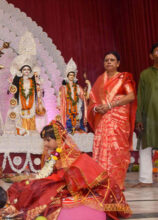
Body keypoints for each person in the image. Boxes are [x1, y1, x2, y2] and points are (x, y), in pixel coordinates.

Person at [7, 121, 131, 220]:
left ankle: (19, 208)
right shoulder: (57, 152)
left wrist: (44, 180)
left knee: (39, 188)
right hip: (62, 181)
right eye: (44, 140)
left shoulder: (67, 153)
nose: (45, 144)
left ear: (58, 139)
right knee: (31, 184)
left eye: (48, 140)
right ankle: (16, 207)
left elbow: (65, 175)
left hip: (72, 184)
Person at [87, 51, 137, 190]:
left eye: (112, 60)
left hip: (118, 120)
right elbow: (92, 102)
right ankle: (102, 182)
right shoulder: (99, 80)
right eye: (106, 60)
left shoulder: (123, 78)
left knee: (116, 150)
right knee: (102, 148)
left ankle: (116, 183)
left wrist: (110, 105)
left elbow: (131, 96)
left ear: (118, 63)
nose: (109, 62)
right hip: (103, 119)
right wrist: (97, 109)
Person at [134, 43, 158, 188]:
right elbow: (140, 98)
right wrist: (139, 119)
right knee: (145, 147)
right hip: (149, 116)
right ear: (151, 56)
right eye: (157, 52)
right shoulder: (145, 74)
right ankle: (145, 179)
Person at [57, 58, 90, 133]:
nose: (71, 76)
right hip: (67, 109)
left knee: (78, 125)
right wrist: (59, 105)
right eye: (70, 75)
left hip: (77, 109)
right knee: (68, 127)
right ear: (67, 76)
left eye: (73, 75)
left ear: (74, 76)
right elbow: (60, 98)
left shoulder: (78, 87)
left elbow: (84, 99)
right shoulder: (63, 88)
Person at [10, 65, 42, 135]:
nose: (26, 71)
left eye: (28, 69)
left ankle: (31, 131)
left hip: (31, 99)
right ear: (21, 71)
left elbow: (38, 90)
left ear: (30, 71)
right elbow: (14, 90)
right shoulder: (19, 81)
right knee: (21, 114)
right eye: (24, 69)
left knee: (31, 112)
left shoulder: (32, 81)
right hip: (22, 99)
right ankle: (23, 131)